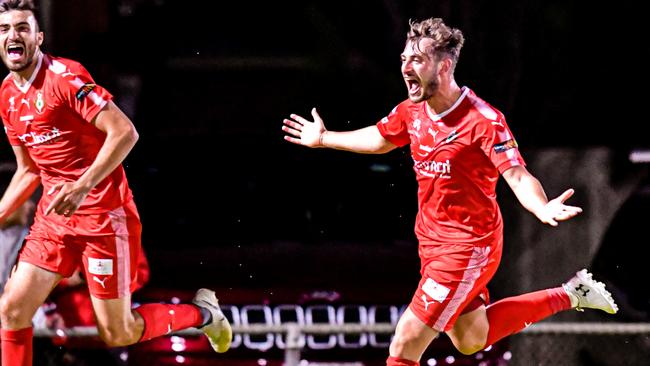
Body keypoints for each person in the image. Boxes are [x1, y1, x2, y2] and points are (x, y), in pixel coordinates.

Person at [282, 17, 618, 365]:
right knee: (471, 337)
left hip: (468, 247)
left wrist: (541, 206)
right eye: (403, 59)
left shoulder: (484, 120)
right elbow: (380, 139)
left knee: (405, 343)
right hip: (432, 244)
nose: (406, 67)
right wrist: (324, 139)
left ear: (443, 66)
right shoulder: (413, 111)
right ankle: (570, 294)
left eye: (416, 60)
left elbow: (517, 176)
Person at [0, 1, 231, 365]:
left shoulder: (65, 77)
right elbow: (27, 171)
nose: (13, 35)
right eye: (4, 29)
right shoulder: (7, 96)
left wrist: (81, 186)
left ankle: (203, 314)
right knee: (12, 309)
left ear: (39, 37)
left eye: (22, 28)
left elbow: (125, 132)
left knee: (117, 332)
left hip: (103, 218)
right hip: (53, 221)